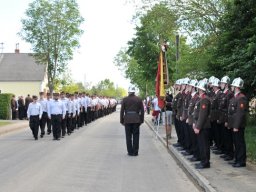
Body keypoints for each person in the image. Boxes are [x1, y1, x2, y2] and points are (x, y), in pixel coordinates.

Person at [228, 77, 248, 168]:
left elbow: (240, 114)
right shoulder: (235, 97)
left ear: (236, 87)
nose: (231, 87)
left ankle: (241, 161)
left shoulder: (241, 98)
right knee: (235, 142)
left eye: (233, 86)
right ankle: (237, 159)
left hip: (238, 125)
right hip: (234, 124)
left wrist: (236, 126)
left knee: (239, 143)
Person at [120, 86, 144, 156]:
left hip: (127, 119)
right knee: (136, 136)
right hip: (136, 119)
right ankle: (135, 152)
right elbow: (142, 111)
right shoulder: (139, 99)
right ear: (134, 91)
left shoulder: (125, 99)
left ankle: (130, 152)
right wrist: (141, 120)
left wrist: (121, 120)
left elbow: (122, 111)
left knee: (128, 136)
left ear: (128, 92)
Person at [193, 80, 211, 169]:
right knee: (202, 144)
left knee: (204, 145)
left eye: (199, 89)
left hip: (203, 126)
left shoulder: (204, 99)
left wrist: (198, 127)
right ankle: (203, 161)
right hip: (201, 125)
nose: (198, 90)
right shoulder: (202, 98)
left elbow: (202, 115)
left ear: (202, 90)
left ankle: (205, 162)